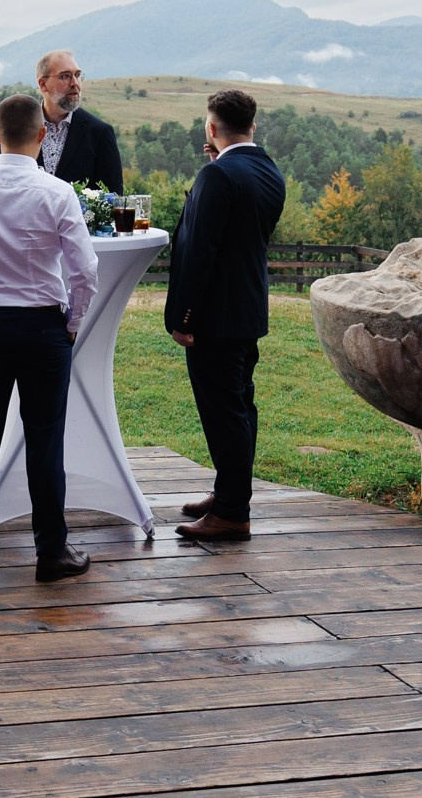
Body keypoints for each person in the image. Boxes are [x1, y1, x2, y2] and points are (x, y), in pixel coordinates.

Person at [0, 93, 99, 582]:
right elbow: (86, 272)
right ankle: (51, 551)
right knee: (44, 438)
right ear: (42, 135)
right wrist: (72, 324)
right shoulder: (57, 193)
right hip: (41, 329)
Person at [165, 89, 286, 542]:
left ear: (211, 128)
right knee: (240, 407)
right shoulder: (268, 169)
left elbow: (200, 253)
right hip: (247, 308)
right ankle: (228, 491)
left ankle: (233, 513)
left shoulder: (216, 176)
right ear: (252, 125)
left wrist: (184, 317)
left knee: (224, 413)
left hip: (214, 317)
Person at [24, 50, 124, 192]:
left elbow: (114, 197)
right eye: (65, 76)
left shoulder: (99, 133)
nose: (74, 83)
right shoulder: (20, 127)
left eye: (77, 75)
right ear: (43, 84)